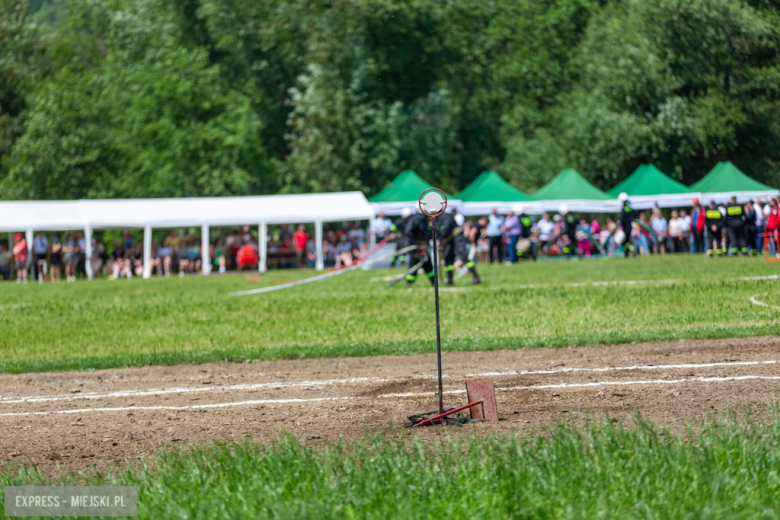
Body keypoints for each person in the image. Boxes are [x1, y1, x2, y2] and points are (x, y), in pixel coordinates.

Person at [403, 211, 435, 286]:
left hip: (423, 246)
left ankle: (434, 282)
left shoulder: (423, 220)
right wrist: (415, 243)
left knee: (428, 265)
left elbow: (426, 233)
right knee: (414, 265)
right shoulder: (415, 220)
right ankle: (409, 283)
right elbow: (408, 232)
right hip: (416, 248)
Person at [617, 193, 637, 257]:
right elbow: (635, 214)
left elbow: (622, 219)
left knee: (625, 241)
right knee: (628, 240)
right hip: (630, 226)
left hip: (625, 227)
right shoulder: (630, 208)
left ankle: (626, 253)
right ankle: (630, 250)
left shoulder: (624, 209)